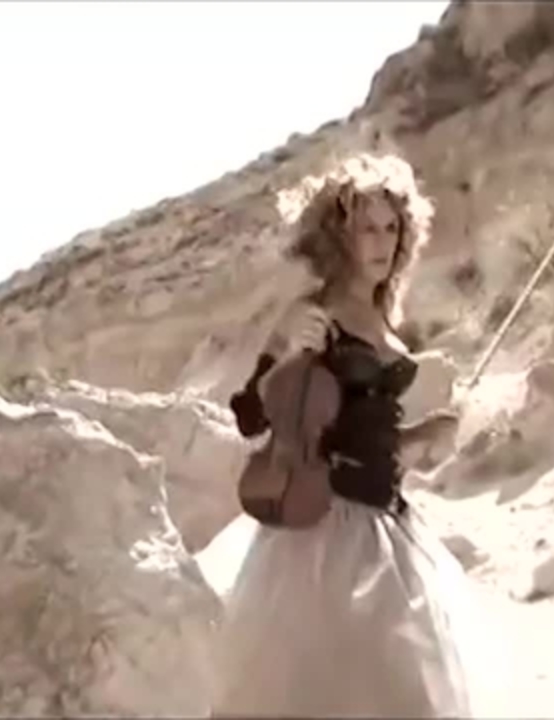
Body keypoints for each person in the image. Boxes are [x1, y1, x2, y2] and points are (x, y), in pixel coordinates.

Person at [198, 153, 487, 718]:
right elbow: (251, 416)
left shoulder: (383, 314)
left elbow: (364, 435)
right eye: (366, 229)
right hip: (321, 536)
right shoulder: (313, 311)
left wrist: (426, 432)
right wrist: (290, 352)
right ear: (338, 237)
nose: (381, 242)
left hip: (389, 530)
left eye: (391, 227)